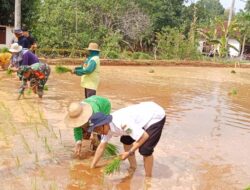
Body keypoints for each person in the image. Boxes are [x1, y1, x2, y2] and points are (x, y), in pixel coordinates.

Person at [88, 101, 166, 177]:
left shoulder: (123, 124)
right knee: (126, 140)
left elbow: (144, 136)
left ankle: (148, 178)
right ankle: (133, 166)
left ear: (104, 123)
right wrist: (92, 166)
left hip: (155, 115)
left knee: (145, 150)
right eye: (96, 131)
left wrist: (129, 152)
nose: (99, 132)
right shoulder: (105, 128)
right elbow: (101, 147)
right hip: (141, 113)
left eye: (98, 129)